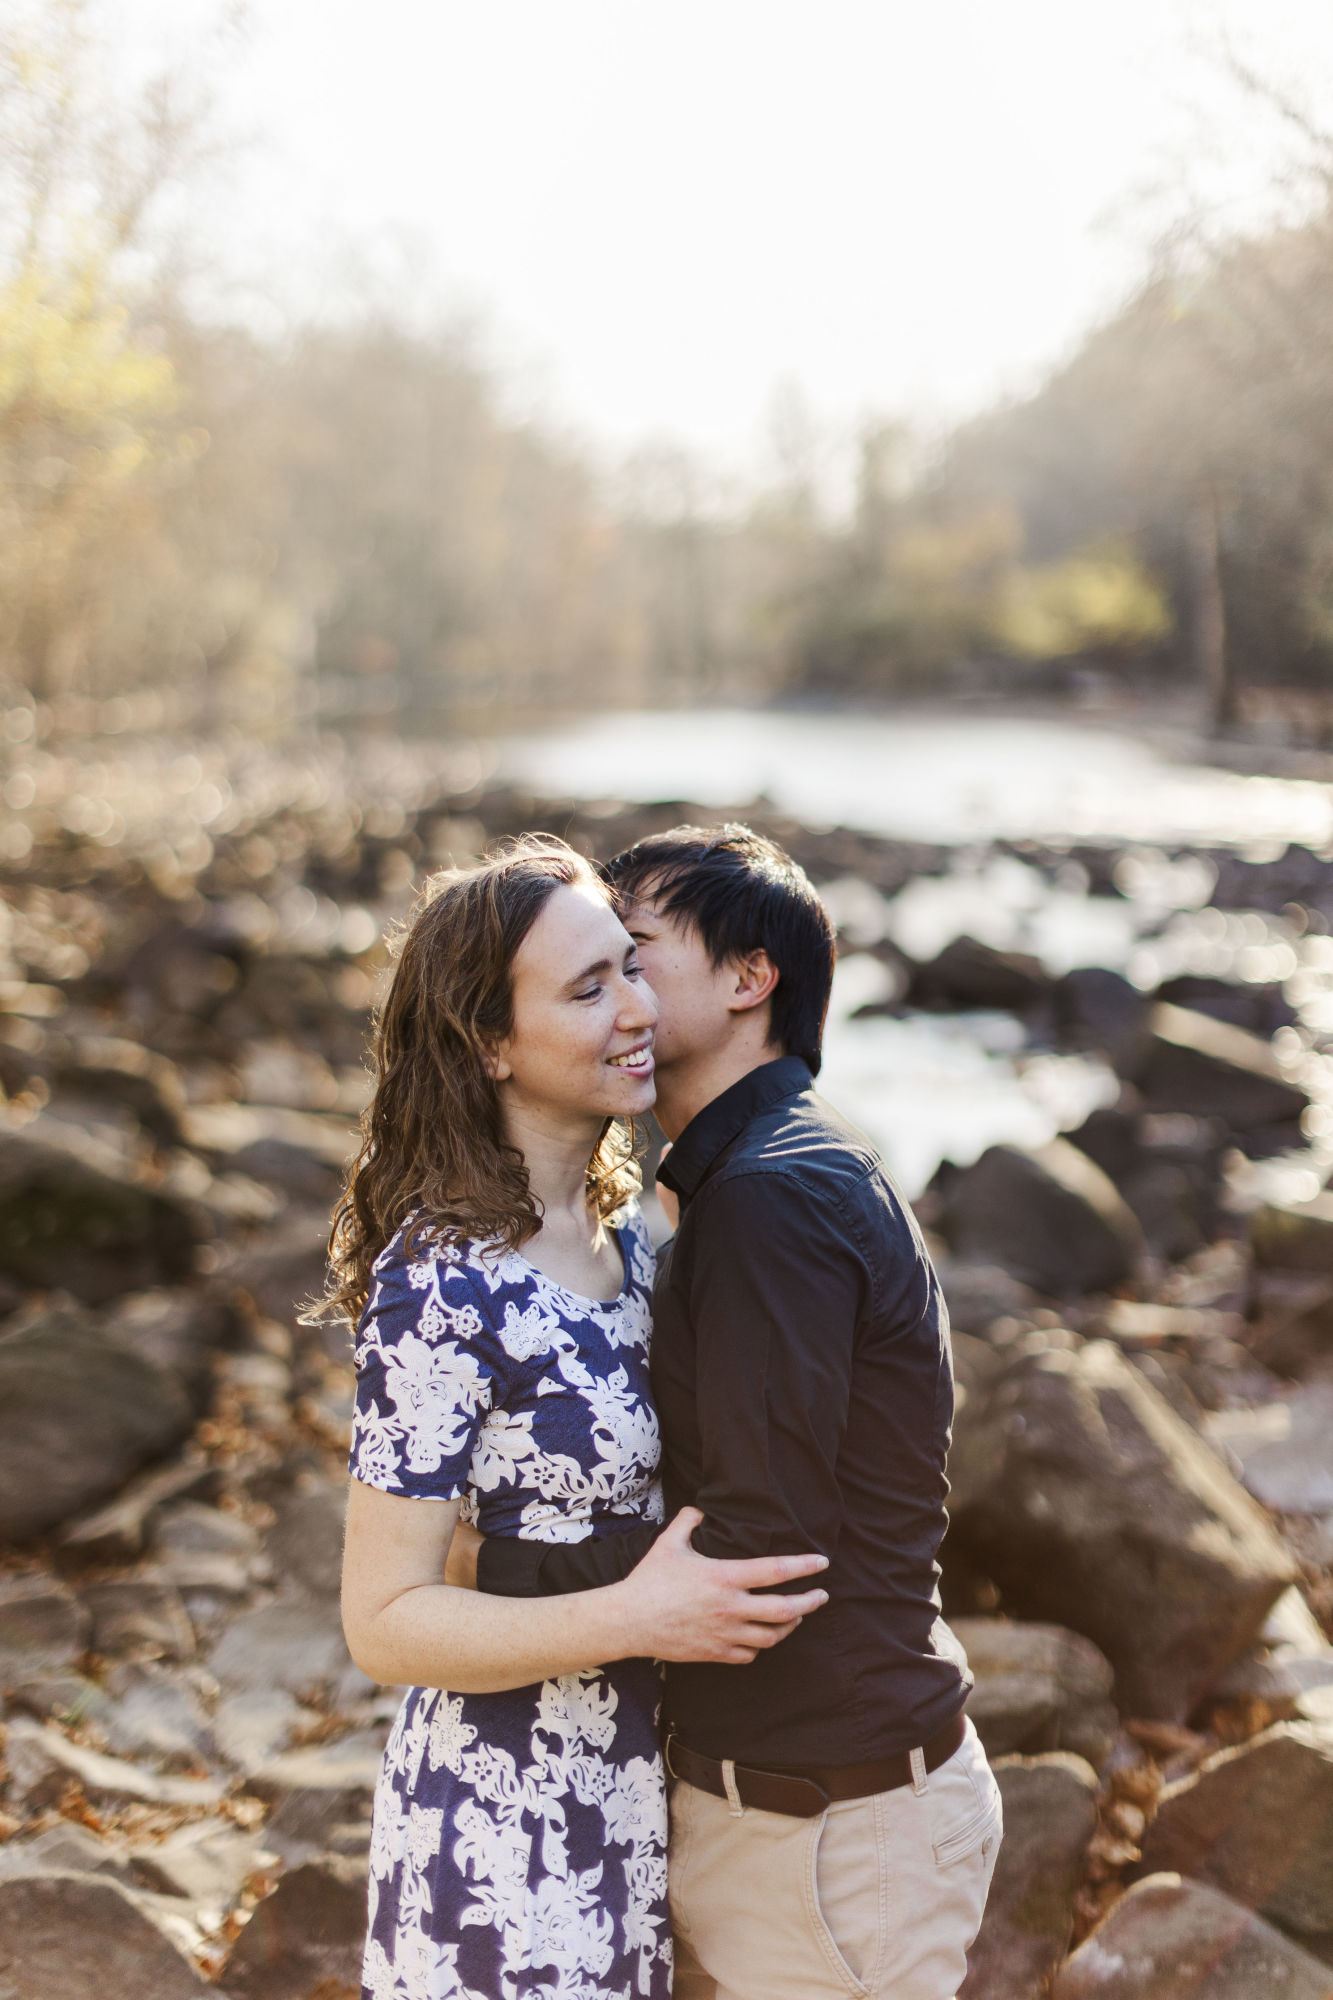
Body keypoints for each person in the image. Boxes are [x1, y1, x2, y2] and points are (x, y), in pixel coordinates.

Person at [474, 824, 1002, 2000]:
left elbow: (762, 1544)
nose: (610, 988)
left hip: (830, 1833)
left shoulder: (769, 1195)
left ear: (749, 977)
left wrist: (494, 1572)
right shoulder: (755, 1174)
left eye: (636, 950)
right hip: (814, 1810)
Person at [328, 835, 830, 2000]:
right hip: (500, 1823)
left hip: (631, 1795)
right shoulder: (442, 1278)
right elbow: (384, 1618)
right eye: (587, 987)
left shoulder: (635, 1234)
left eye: (632, 967)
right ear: (491, 1043)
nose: (636, 1009)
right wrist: (639, 1612)